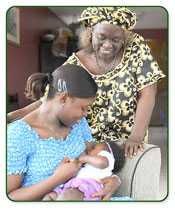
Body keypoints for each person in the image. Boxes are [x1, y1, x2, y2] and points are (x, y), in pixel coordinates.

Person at [7, 6, 166, 198]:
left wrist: (135, 137)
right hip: (89, 137)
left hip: (123, 138)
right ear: (90, 34)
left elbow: (148, 92)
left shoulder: (136, 48)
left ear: (124, 38)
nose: (108, 44)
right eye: (102, 37)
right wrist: (11, 117)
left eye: (116, 40)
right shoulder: (75, 64)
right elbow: (50, 98)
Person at [7, 64, 99, 201]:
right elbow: (10, 197)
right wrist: (57, 178)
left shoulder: (79, 123)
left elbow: (95, 152)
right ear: (63, 98)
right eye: (83, 108)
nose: (85, 114)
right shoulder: (18, 135)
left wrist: (110, 180)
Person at [43, 141, 125, 201]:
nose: (89, 151)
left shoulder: (107, 159)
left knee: (68, 195)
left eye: (93, 148)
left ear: (107, 152)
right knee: (50, 196)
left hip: (87, 188)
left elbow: (101, 162)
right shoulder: (90, 164)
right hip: (74, 187)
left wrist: (83, 158)